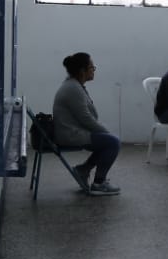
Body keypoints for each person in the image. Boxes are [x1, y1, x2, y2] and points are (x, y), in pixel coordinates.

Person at [52, 52, 121, 194]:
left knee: (108, 141)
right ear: (82, 71)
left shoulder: (74, 85)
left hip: (72, 132)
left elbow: (86, 118)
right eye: (91, 67)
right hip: (70, 135)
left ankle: (83, 170)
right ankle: (99, 183)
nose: (93, 70)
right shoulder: (73, 88)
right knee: (112, 142)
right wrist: (105, 132)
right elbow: (86, 118)